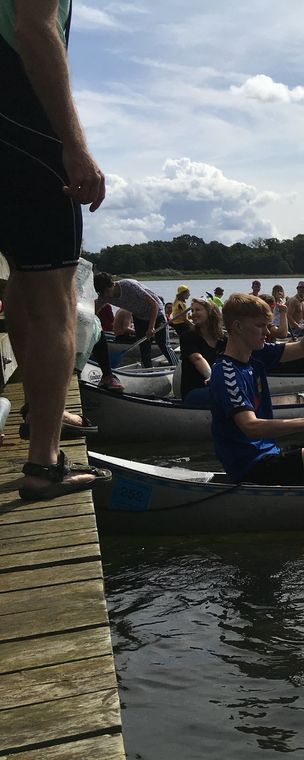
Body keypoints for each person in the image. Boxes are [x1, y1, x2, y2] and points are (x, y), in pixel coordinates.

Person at [1, 0, 112, 500]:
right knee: (56, 303)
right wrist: (74, 145)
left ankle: (39, 410)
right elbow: (34, 29)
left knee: (23, 279)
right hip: (25, 134)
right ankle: (44, 463)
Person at [210, 292, 304, 485]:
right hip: (250, 466)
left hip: (269, 451)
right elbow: (251, 427)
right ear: (238, 327)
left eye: (267, 325)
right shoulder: (227, 373)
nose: (267, 332)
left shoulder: (257, 354)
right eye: (260, 326)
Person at [93, 271, 177, 368]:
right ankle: (148, 370)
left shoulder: (129, 286)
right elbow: (95, 311)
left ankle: (176, 367)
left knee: (163, 344)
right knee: (144, 347)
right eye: (103, 293)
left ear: (112, 284)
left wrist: (151, 327)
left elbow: (154, 304)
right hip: (139, 316)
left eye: (108, 291)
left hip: (156, 313)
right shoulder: (104, 296)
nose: (107, 295)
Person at [178, 296, 225, 406]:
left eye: (198, 310)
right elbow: (197, 359)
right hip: (194, 391)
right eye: (192, 310)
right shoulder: (187, 337)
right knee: (226, 393)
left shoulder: (223, 340)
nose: (193, 313)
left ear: (210, 312)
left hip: (221, 387)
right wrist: (212, 378)